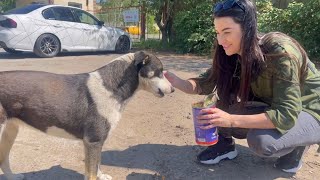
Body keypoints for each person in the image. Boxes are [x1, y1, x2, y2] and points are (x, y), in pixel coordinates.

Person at [164, 0, 320, 173]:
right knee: (225, 105)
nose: (220, 40)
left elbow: (286, 115)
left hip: (310, 109)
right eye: (217, 32)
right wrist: (175, 81)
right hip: (278, 105)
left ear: (247, 29)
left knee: (262, 142)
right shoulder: (232, 51)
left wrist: (230, 120)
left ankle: (297, 145)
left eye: (227, 32)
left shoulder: (281, 51)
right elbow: (206, 83)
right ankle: (225, 145)